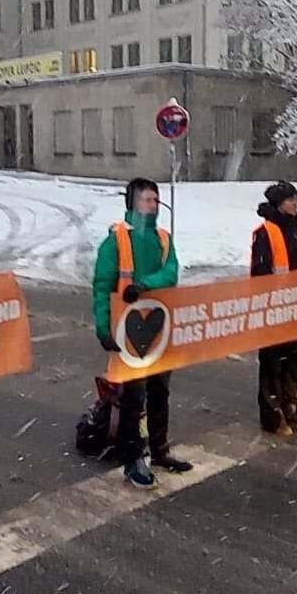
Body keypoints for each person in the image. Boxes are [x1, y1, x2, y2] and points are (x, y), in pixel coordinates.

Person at [92, 177, 193, 489]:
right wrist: (103, 326)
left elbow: (171, 272)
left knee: (160, 393)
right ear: (132, 203)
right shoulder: (116, 241)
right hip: (128, 333)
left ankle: (160, 451)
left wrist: (145, 284)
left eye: (155, 200)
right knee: (133, 398)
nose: (152, 205)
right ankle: (132, 458)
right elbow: (102, 285)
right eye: (146, 200)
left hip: (159, 330)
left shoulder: (163, 238)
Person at [250, 181, 297, 436]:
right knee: (272, 362)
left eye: (295, 199)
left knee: (294, 358)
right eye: (290, 200)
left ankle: (292, 406)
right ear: (279, 204)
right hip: (275, 306)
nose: (295, 204)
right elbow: (261, 273)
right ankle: (272, 415)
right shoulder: (265, 232)